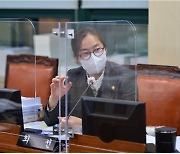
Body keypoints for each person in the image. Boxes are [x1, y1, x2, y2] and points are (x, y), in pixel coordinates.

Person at [44, 27, 136, 130]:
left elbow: (128, 125)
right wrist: (54, 99)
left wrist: (84, 124)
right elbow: (51, 121)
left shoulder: (125, 77)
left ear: (105, 49)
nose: (93, 57)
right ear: (77, 58)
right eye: (85, 53)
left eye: (97, 49)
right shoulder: (73, 76)